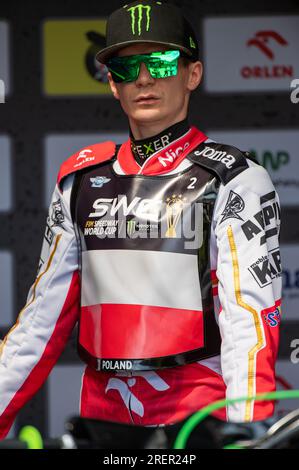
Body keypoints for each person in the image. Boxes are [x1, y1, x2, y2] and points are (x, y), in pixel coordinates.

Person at [0, 0, 282, 438]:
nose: (145, 79)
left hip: (198, 423)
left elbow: (250, 318)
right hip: (104, 422)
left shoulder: (234, 178)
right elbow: (41, 321)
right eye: (128, 68)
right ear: (113, 84)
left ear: (193, 74)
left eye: (162, 61)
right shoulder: (80, 179)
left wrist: (248, 430)